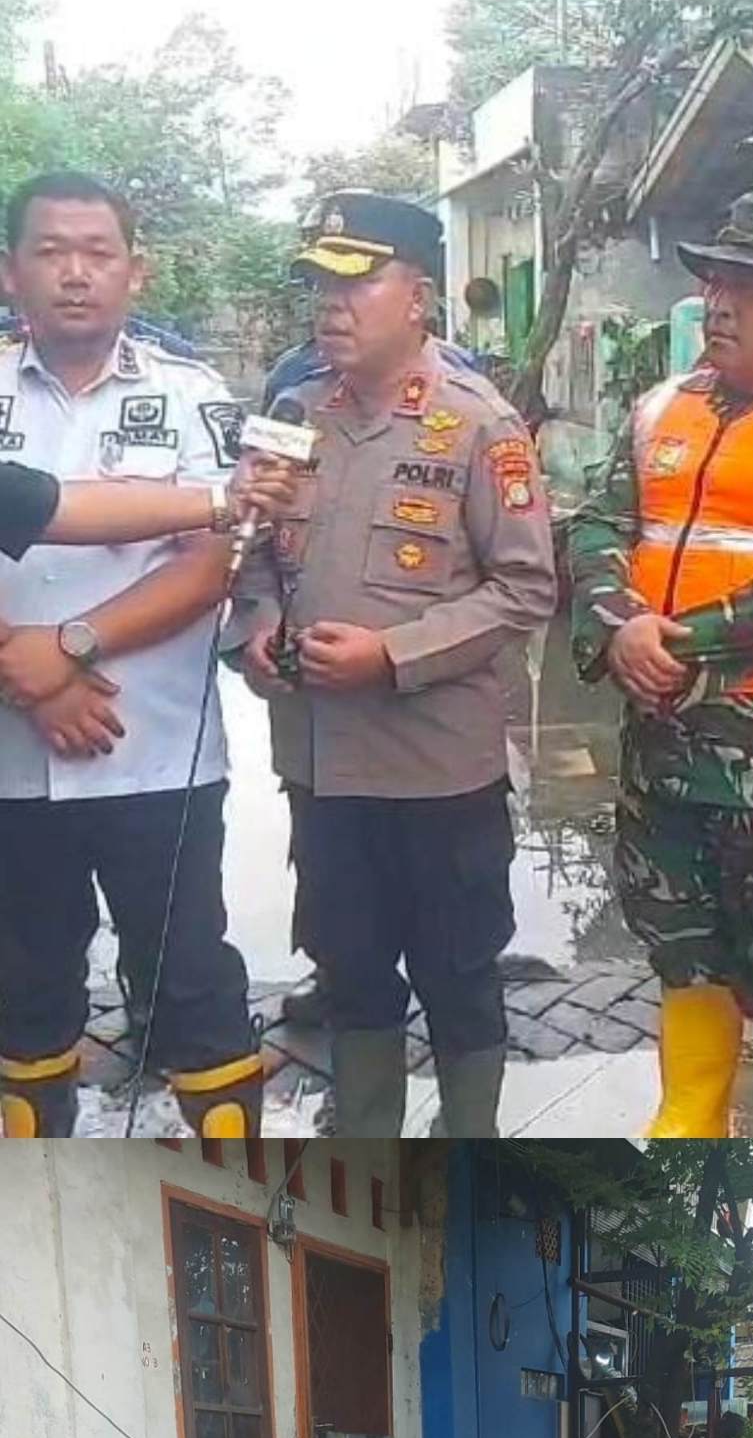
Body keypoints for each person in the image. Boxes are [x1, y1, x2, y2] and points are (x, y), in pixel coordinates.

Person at [230, 191, 558, 1138]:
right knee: (351, 969)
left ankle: (470, 1146)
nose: (331, 306)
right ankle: (366, 1135)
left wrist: (392, 655)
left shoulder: (479, 426)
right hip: (324, 768)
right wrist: (254, 626)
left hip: (438, 774)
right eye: (319, 286)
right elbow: (251, 554)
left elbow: (527, 590)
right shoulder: (292, 417)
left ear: (418, 297)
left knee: (458, 975)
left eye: (356, 282)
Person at [569, 193, 753, 1141]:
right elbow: (600, 524)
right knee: (683, 949)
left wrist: (671, 642)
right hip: (665, 747)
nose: (718, 302)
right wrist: (618, 624)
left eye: (748, 285)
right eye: (714, 280)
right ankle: (686, 1126)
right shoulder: (661, 406)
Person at [0, 170, 277, 1140]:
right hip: (8, 771)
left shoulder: (196, 401)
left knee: (193, 985)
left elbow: (213, 566)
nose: (75, 273)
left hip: (157, 758)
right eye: (50, 250)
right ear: (8, 269)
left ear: (136, 272)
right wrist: (24, 678)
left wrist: (71, 647)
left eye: (98, 252)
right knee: (22, 994)